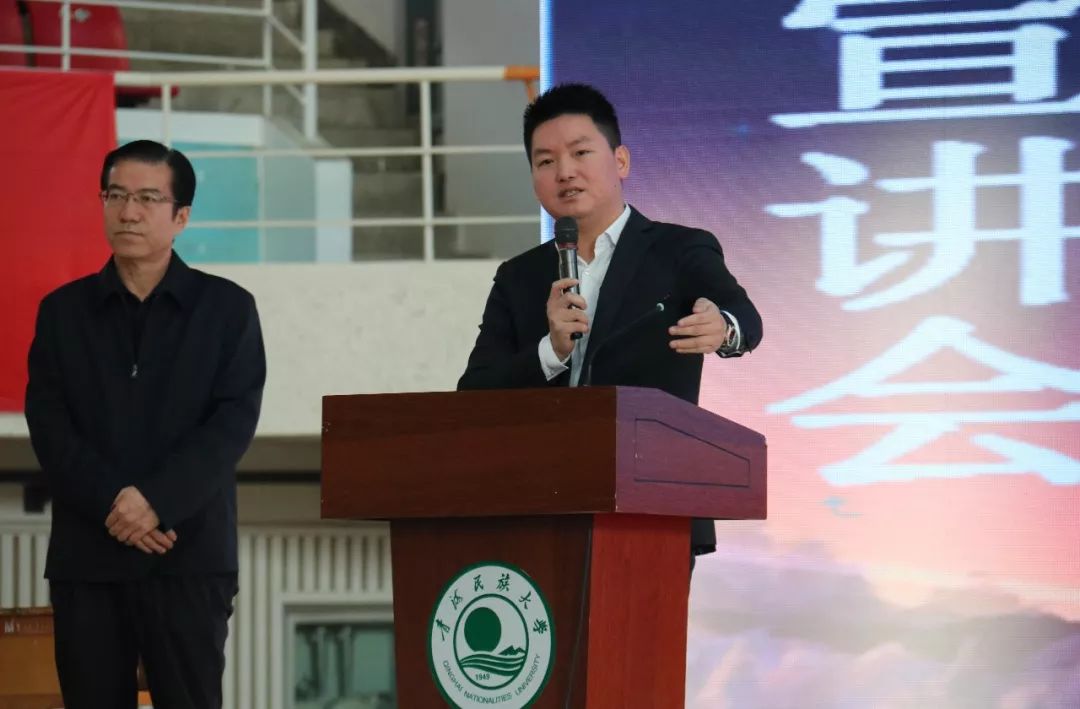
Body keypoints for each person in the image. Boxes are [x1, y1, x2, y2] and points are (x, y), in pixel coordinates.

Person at [457, 83, 762, 568]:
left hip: (650, 509)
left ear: (620, 161)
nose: (565, 172)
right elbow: (474, 396)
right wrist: (551, 351)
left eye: (581, 153)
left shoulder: (678, 250)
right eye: (545, 161)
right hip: (536, 511)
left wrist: (722, 328)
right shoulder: (518, 277)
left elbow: (745, 317)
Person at [25, 140, 266, 708]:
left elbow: (231, 423)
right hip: (89, 559)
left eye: (148, 198)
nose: (128, 212)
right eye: (116, 196)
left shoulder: (227, 309)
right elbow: (50, 426)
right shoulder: (62, 313)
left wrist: (157, 502)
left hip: (187, 556)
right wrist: (118, 505)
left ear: (181, 216)